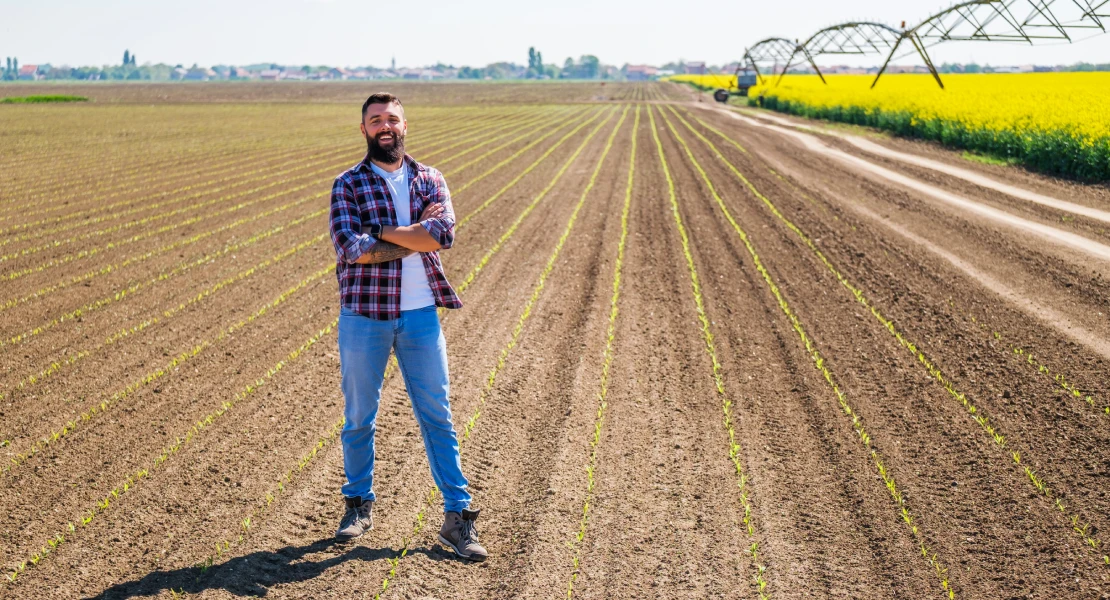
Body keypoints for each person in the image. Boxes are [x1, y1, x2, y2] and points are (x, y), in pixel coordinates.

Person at [328, 92, 486, 561]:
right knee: (360, 417)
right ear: (363, 129)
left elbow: (442, 235)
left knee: (438, 416)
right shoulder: (348, 184)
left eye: (392, 119)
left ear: (404, 125)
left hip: (420, 316)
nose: (385, 126)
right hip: (364, 315)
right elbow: (352, 248)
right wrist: (412, 236)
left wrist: (380, 231)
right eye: (375, 119)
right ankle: (358, 504)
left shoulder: (429, 178)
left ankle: (457, 518)